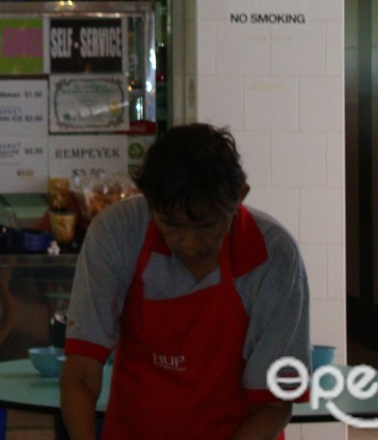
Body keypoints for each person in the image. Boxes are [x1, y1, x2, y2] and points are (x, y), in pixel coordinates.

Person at [60, 123, 310, 440]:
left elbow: (273, 405)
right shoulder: (118, 233)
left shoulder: (273, 257)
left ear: (240, 196)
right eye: (170, 224)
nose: (189, 245)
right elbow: (81, 373)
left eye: (207, 226)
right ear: (149, 201)